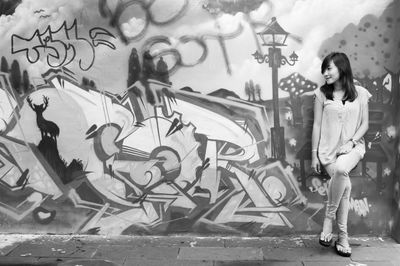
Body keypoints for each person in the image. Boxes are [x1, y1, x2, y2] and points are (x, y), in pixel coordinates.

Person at [311, 52, 371, 257]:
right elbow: (317, 125)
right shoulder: (321, 94)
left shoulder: (361, 93)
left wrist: (352, 143)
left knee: (342, 169)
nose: (325, 73)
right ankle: (343, 238)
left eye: (329, 68)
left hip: (353, 148)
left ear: (341, 68)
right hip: (328, 151)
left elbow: (365, 124)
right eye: (324, 69)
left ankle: (328, 220)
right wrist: (313, 155)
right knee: (344, 185)